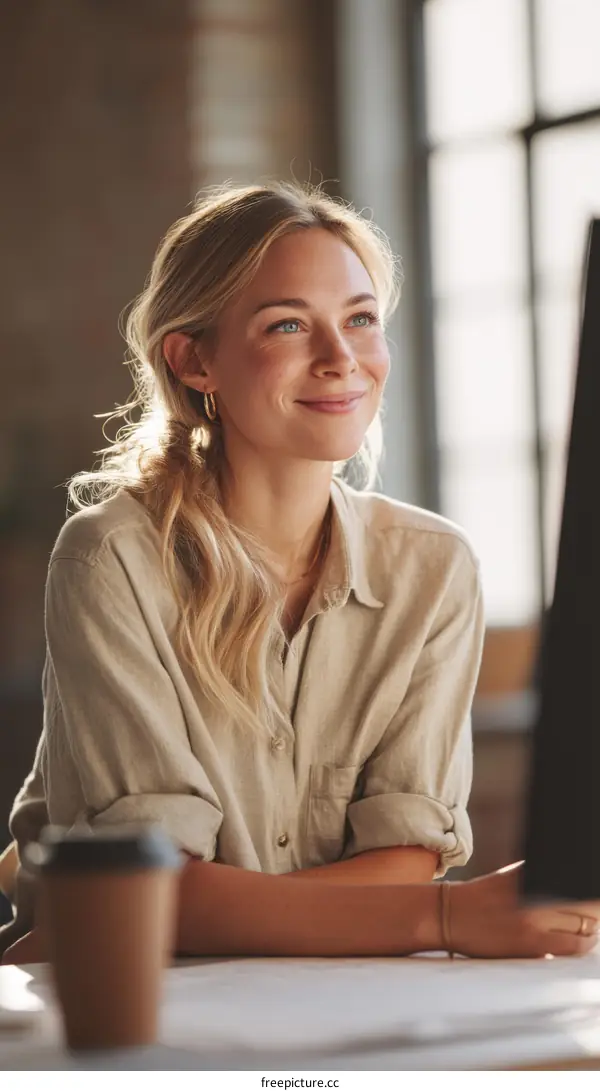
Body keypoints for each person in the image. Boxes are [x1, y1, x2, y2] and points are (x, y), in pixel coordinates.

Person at [1, 182, 598, 964]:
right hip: (142, 1004)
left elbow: (405, 860)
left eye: (359, 319)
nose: (342, 358)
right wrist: (443, 918)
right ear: (194, 358)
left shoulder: (432, 566)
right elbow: (145, 895)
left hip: (339, 993)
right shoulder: (111, 556)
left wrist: (225, 907)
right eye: (288, 324)